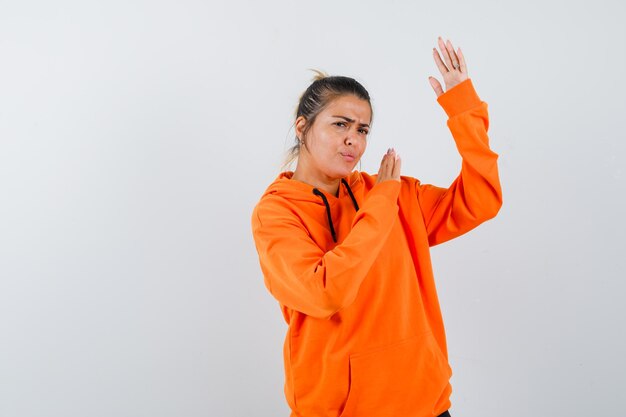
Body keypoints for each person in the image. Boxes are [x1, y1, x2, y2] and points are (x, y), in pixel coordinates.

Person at [250, 36, 502, 417]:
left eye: (363, 129)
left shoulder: (388, 192)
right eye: (340, 124)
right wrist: (382, 201)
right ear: (302, 127)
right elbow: (325, 292)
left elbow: (481, 198)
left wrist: (462, 108)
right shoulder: (276, 214)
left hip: (426, 404)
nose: (354, 139)